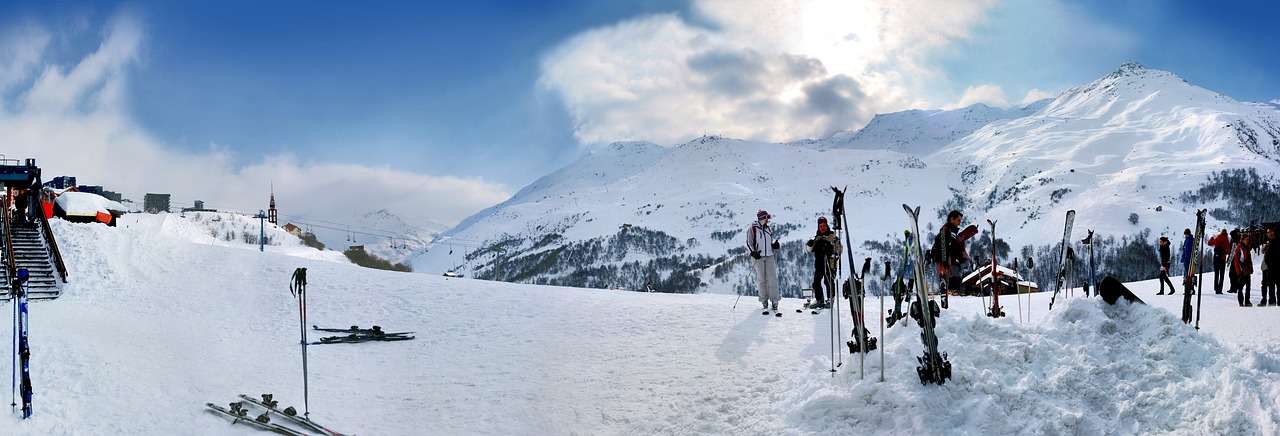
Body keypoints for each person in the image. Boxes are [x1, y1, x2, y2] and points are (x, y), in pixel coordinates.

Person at [746, 209, 781, 312]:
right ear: (762, 218)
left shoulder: (768, 229)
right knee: (762, 278)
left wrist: (774, 246)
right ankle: (764, 299)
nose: (768, 220)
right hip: (758, 256)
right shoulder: (753, 229)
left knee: (772, 277)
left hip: (769, 255)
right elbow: (749, 242)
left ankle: (775, 300)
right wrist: (753, 252)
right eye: (767, 218)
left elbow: (768, 243)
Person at [805, 216, 841, 309]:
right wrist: (810, 245)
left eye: (824, 226)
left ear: (826, 225)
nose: (822, 228)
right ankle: (819, 299)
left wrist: (832, 251)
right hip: (819, 263)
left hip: (830, 263)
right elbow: (810, 250)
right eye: (820, 226)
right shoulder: (817, 237)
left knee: (828, 281)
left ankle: (830, 298)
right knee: (816, 282)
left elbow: (839, 249)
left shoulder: (832, 236)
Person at [934, 210, 968, 307]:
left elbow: (952, 247)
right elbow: (944, 246)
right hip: (943, 261)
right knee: (948, 281)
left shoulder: (952, 231)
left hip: (949, 262)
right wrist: (945, 263)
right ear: (951, 219)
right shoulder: (945, 230)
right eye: (958, 220)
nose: (959, 222)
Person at [1234, 233, 1254, 306]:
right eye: (1246, 240)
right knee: (1240, 287)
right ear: (1242, 240)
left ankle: (1247, 301)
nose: (1247, 241)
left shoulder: (1246, 247)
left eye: (1248, 240)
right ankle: (1241, 302)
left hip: (1247, 269)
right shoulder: (1239, 248)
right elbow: (1236, 261)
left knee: (1248, 286)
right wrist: (1238, 271)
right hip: (1242, 270)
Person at [1209, 229, 1230, 294]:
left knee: (1216, 274)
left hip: (1216, 257)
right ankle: (1220, 289)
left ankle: (1216, 288)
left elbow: (1209, 243)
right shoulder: (1226, 240)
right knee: (1222, 275)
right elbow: (1229, 250)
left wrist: (1211, 238)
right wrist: (1225, 253)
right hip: (1222, 258)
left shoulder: (1217, 238)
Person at [1263, 227, 1279, 306]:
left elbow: (1267, 257)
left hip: (1273, 268)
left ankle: (1272, 302)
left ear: (1273, 233)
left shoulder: (1273, 243)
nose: (1267, 233)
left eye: (1268, 232)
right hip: (1275, 268)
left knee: (1272, 286)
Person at [1180, 228, 1195, 295]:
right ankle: (1190, 289)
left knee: (1187, 275)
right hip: (1189, 259)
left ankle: (1188, 289)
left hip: (1187, 260)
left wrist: (1185, 258)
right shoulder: (1190, 239)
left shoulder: (1188, 240)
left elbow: (1187, 250)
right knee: (1189, 274)